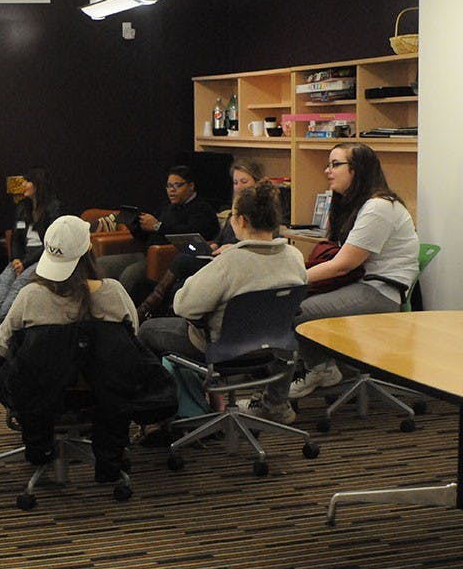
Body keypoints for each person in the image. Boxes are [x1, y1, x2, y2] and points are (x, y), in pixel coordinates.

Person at [0, 216, 174, 481]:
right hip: (102, 393)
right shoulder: (114, 293)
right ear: (89, 253)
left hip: (44, 391)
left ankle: (38, 431)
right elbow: (133, 340)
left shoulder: (31, 295)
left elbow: (2, 348)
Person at [138, 181, 307, 424]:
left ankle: (165, 415)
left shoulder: (229, 262)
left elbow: (184, 307)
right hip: (273, 347)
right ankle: (275, 404)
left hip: (221, 348)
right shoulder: (294, 257)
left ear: (242, 221)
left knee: (146, 331)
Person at [289, 143, 419, 398]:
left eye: (335, 165)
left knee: (294, 311)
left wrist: (291, 279)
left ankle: (321, 369)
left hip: (380, 291)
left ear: (357, 170)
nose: (328, 171)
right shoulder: (357, 204)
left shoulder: (379, 207)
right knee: (291, 300)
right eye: (329, 164)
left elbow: (343, 265)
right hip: (362, 283)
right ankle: (320, 367)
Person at [137, 160, 268, 321]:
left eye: (244, 181)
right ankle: (162, 315)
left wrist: (232, 248)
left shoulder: (262, 215)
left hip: (234, 261)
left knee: (182, 260)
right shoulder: (233, 212)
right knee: (180, 281)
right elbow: (218, 239)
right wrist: (214, 245)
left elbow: (260, 241)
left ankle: (151, 307)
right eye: (235, 182)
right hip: (218, 256)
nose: (239, 187)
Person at [97, 165, 219, 303]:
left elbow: (190, 235)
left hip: (167, 259)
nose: (172, 190)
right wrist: (135, 225)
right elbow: (146, 235)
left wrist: (157, 226)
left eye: (177, 185)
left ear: (191, 186)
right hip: (146, 252)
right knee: (102, 264)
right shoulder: (166, 207)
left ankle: (126, 316)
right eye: (168, 186)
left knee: (130, 274)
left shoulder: (202, 209)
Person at [0, 167, 62, 330]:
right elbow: (16, 237)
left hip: (45, 256)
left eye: (27, 181)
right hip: (24, 256)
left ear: (37, 185)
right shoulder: (23, 207)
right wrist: (16, 259)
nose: (23, 184)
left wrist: (25, 263)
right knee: (6, 276)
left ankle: (1, 320)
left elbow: (50, 242)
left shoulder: (53, 207)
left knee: (22, 280)